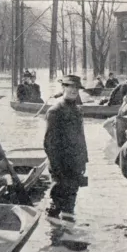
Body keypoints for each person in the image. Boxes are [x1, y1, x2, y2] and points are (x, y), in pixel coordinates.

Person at [44, 75, 89, 221]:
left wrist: (83, 161)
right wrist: (57, 169)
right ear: (63, 87)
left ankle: (69, 236)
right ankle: (55, 238)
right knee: (56, 205)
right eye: (70, 87)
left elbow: (81, 138)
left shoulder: (77, 110)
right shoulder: (55, 111)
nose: (74, 90)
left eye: (77, 88)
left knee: (70, 205)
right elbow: (49, 144)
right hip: (61, 167)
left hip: (75, 165)